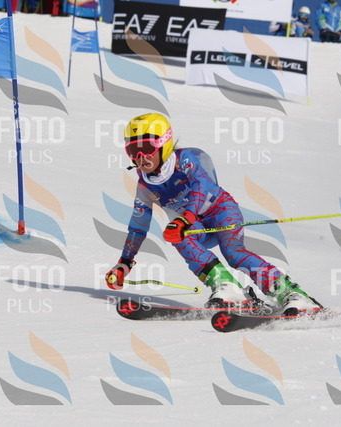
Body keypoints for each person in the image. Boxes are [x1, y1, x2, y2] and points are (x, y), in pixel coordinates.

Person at [104, 113, 323, 314]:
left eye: (146, 148)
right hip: (194, 224)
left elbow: (202, 186)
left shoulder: (184, 160)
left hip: (221, 211)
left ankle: (292, 294)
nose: (140, 157)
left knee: (234, 254)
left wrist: (186, 218)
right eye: (133, 151)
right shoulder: (145, 186)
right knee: (176, 235)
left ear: (164, 143)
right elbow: (138, 226)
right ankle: (227, 287)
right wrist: (125, 262)